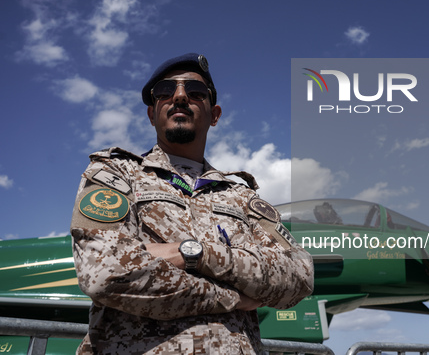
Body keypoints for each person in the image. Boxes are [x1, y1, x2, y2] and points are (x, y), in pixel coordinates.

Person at [70, 52, 314, 354]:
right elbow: (106, 273)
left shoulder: (242, 196)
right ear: (151, 113)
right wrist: (234, 297)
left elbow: (298, 275)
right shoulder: (115, 174)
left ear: (214, 114)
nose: (181, 96)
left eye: (196, 92)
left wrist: (196, 254)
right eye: (165, 91)